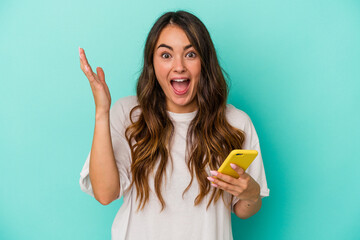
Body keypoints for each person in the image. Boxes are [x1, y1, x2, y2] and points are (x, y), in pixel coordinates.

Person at [79, 10, 269, 240]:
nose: (179, 66)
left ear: (204, 62)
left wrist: (251, 194)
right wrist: (102, 112)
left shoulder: (235, 123)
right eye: (166, 55)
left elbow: (243, 210)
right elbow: (105, 194)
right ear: (152, 63)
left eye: (190, 54)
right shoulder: (128, 114)